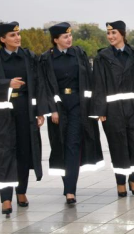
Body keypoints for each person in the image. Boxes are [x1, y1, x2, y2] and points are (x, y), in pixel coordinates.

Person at [0, 22, 44, 216]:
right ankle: (6, 198)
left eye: (18, 34)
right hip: (2, 114)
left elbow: (40, 84)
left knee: (24, 152)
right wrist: (9, 83)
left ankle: (22, 192)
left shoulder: (29, 57)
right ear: (2, 39)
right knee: (5, 153)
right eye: (12, 35)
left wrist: (40, 111)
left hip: (25, 110)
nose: (17, 38)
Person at [38, 22, 104, 205]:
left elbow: (89, 80)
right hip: (58, 108)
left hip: (78, 106)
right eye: (65, 37)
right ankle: (67, 185)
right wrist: (52, 109)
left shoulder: (79, 54)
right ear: (55, 39)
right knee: (60, 145)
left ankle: (70, 191)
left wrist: (92, 107)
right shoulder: (46, 59)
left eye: (70, 36)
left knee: (73, 145)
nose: (69, 39)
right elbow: (44, 86)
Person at [90, 20, 134, 197]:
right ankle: (120, 182)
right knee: (117, 145)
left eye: (114, 33)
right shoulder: (102, 57)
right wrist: (100, 110)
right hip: (113, 110)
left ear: (122, 34)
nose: (111, 37)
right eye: (108, 33)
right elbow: (98, 84)